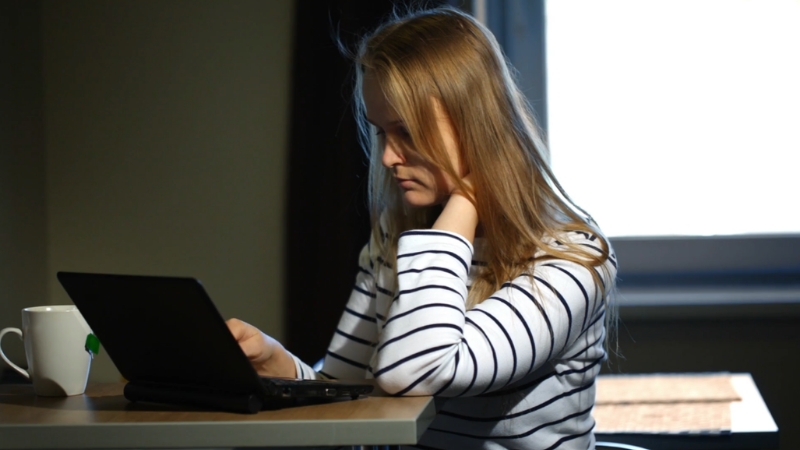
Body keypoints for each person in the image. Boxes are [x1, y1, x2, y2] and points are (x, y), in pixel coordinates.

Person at [227, 5, 618, 449]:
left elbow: (417, 369)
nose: (391, 157)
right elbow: (347, 395)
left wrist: (468, 199)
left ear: (476, 127)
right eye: (381, 134)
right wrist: (275, 361)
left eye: (408, 132)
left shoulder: (570, 260)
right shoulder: (397, 243)